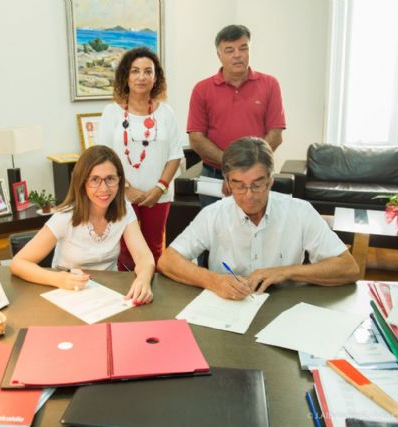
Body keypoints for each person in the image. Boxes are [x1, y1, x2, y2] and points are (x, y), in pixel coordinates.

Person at [157, 137, 360, 300]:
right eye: (239, 185)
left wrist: (286, 272)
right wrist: (214, 281)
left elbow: (348, 267)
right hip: (228, 306)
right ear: (227, 183)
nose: (249, 195)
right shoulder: (214, 214)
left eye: (257, 185)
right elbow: (168, 261)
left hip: (284, 306)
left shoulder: (300, 211)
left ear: (270, 181)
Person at [9, 145, 155, 304]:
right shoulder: (65, 216)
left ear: (120, 180)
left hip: (111, 292)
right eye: (95, 180)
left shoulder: (124, 209)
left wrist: (143, 279)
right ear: (82, 182)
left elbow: (144, 256)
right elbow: (18, 263)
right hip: (69, 292)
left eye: (110, 178)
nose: (104, 188)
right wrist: (58, 279)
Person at [99, 47, 184, 271]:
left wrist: (159, 188)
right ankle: (127, 290)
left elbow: (175, 155)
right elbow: (103, 156)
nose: (141, 77)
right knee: (125, 249)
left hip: (158, 196)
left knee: (155, 247)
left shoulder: (166, 112)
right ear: (126, 76)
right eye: (135, 71)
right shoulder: (111, 112)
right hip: (121, 195)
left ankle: (152, 289)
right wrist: (126, 189)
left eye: (148, 71)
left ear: (156, 78)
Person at [188, 24, 286, 206]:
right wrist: (232, 168)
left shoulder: (270, 84)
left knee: (257, 224)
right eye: (229, 50)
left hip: (256, 179)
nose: (237, 55)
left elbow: (275, 134)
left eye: (243, 48)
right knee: (215, 224)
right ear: (219, 55)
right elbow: (196, 138)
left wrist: (247, 170)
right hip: (215, 178)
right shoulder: (202, 89)